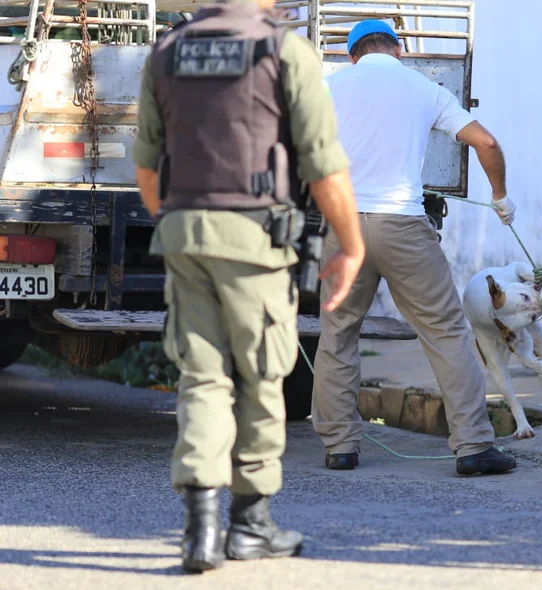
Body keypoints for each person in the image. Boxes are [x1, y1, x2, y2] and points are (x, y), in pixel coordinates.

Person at [133, 0, 366, 573]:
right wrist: (352, 245)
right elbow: (322, 163)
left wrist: (185, 221)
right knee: (261, 372)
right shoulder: (286, 49)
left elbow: (144, 167)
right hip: (256, 239)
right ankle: (250, 524)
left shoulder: (166, 50)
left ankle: (199, 532)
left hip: (183, 235)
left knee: (203, 375)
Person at [311, 20, 519, 476]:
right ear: (399, 51)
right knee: (445, 331)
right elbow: (485, 141)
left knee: (338, 333)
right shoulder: (423, 88)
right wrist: (501, 198)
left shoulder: (329, 88)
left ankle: (340, 447)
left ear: (352, 56)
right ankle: (473, 447)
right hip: (403, 225)